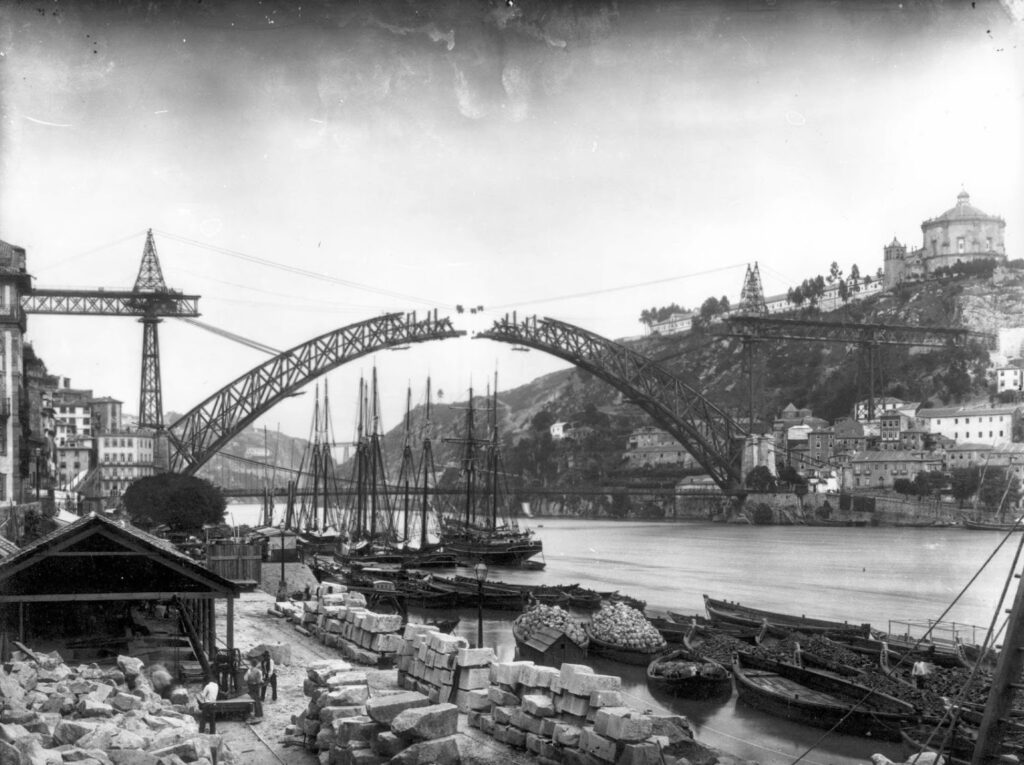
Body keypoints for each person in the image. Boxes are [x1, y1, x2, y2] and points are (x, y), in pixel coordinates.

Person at [244, 657, 264, 723]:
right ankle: (259, 714)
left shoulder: (249, 670)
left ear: (251, 664)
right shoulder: (259, 671)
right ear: (257, 664)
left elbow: (245, 678)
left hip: (251, 686)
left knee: (253, 700)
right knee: (258, 699)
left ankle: (256, 714)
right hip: (257, 686)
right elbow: (260, 680)